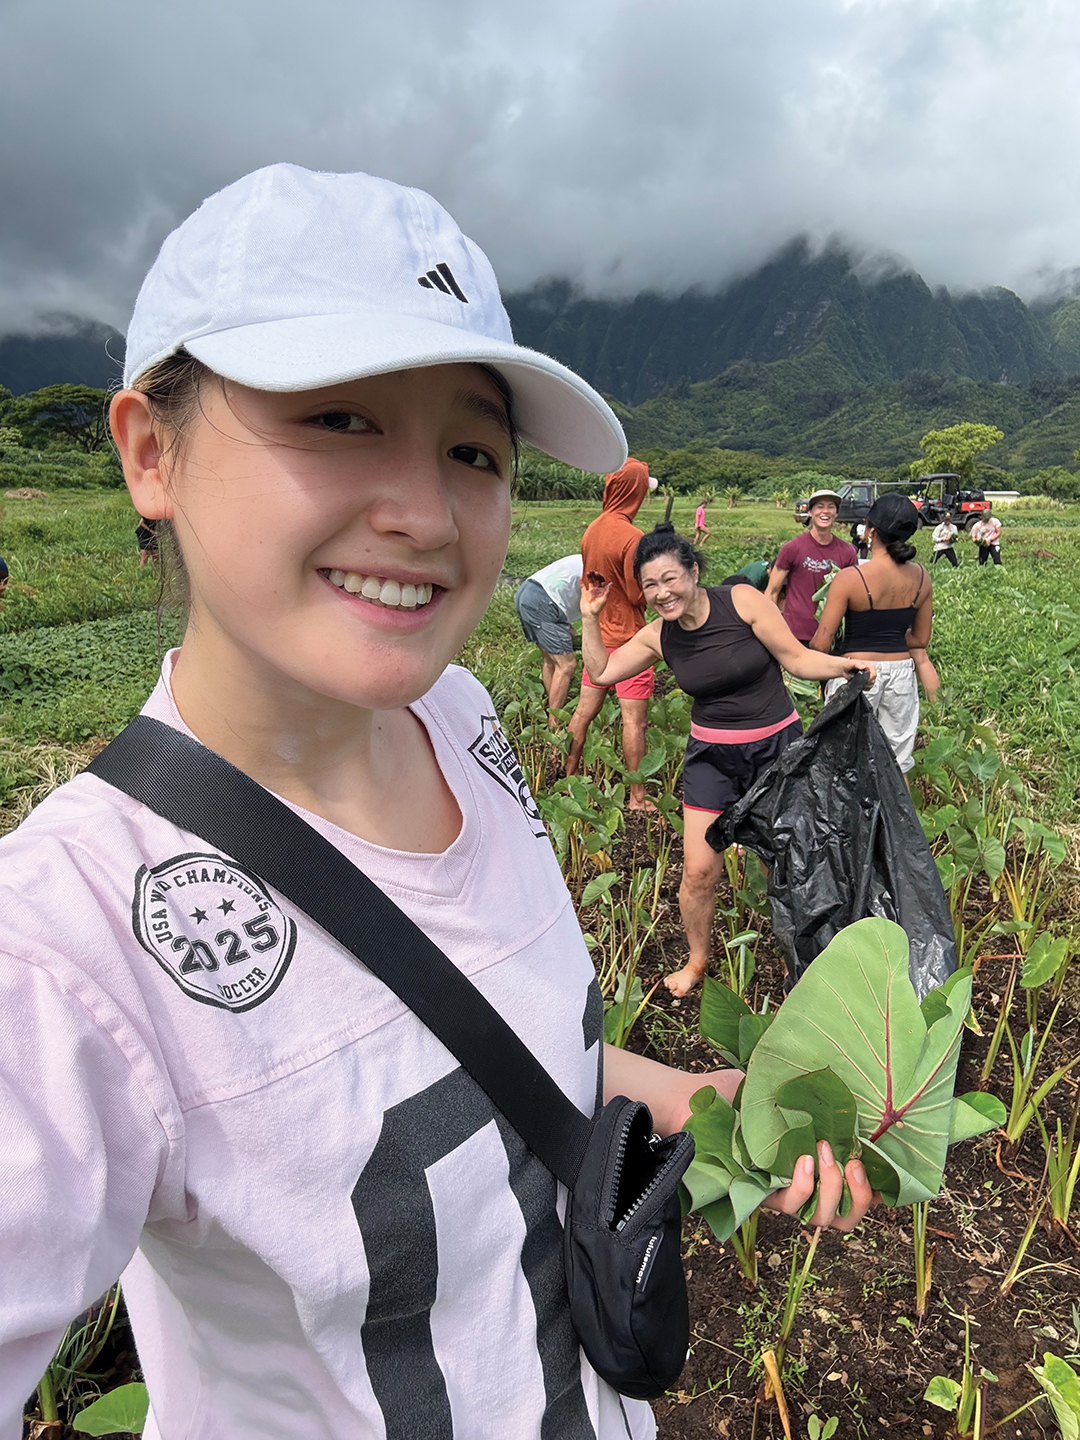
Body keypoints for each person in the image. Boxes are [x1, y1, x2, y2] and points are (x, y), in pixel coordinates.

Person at [0, 165, 873, 1440]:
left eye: (473, 448)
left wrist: (702, 1098)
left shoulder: (462, 720)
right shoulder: (60, 944)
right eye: (338, 419)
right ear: (150, 455)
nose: (424, 513)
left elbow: (494, 1054)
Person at [578, 523, 876, 998]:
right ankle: (697, 961)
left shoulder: (741, 601)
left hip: (777, 753)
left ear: (693, 571)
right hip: (712, 759)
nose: (661, 593)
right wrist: (590, 617)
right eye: (650, 585)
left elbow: (797, 660)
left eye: (670, 578)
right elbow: (602, 670)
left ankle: (805, 962)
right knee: (698, 872)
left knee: (789, 864)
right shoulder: (659, 636)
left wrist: (844, 666)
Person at [810, 494, 936, 777]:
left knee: (843, 764)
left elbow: (821, 642)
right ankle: (898, 820)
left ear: (871, 531)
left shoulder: (850, 578)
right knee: (897, 765)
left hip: (856, 672)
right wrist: (890, 636)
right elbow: (920, 639)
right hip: (902, 675)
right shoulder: (921, 577)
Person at [566, 458, 656, 811]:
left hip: (597, 637)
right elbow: (636, 594)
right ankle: (637, 797)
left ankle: (568, 775)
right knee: (635, 721)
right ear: (635, 492)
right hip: (629, 640)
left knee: (583, 712)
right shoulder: (633, 537)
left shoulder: (593, 529)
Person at [765, 489, 857, 642]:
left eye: (831, 507)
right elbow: (771, 592)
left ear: (836, 513)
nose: (825, 511)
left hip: (830, 638)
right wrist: (773, 633)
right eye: (820, 506)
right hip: (794, 636)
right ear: (810, 512)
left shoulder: (847, 553)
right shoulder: (792, 548)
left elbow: (853, 598)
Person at [513, 552, 582, 717]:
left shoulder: (582, 559)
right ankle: (554, 723)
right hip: (544, 603)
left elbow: (562, 589)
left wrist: (566, 626)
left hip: (527, 593)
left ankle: (549, 711)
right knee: (566, 665)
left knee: (551, 660)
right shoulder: (598, 568)